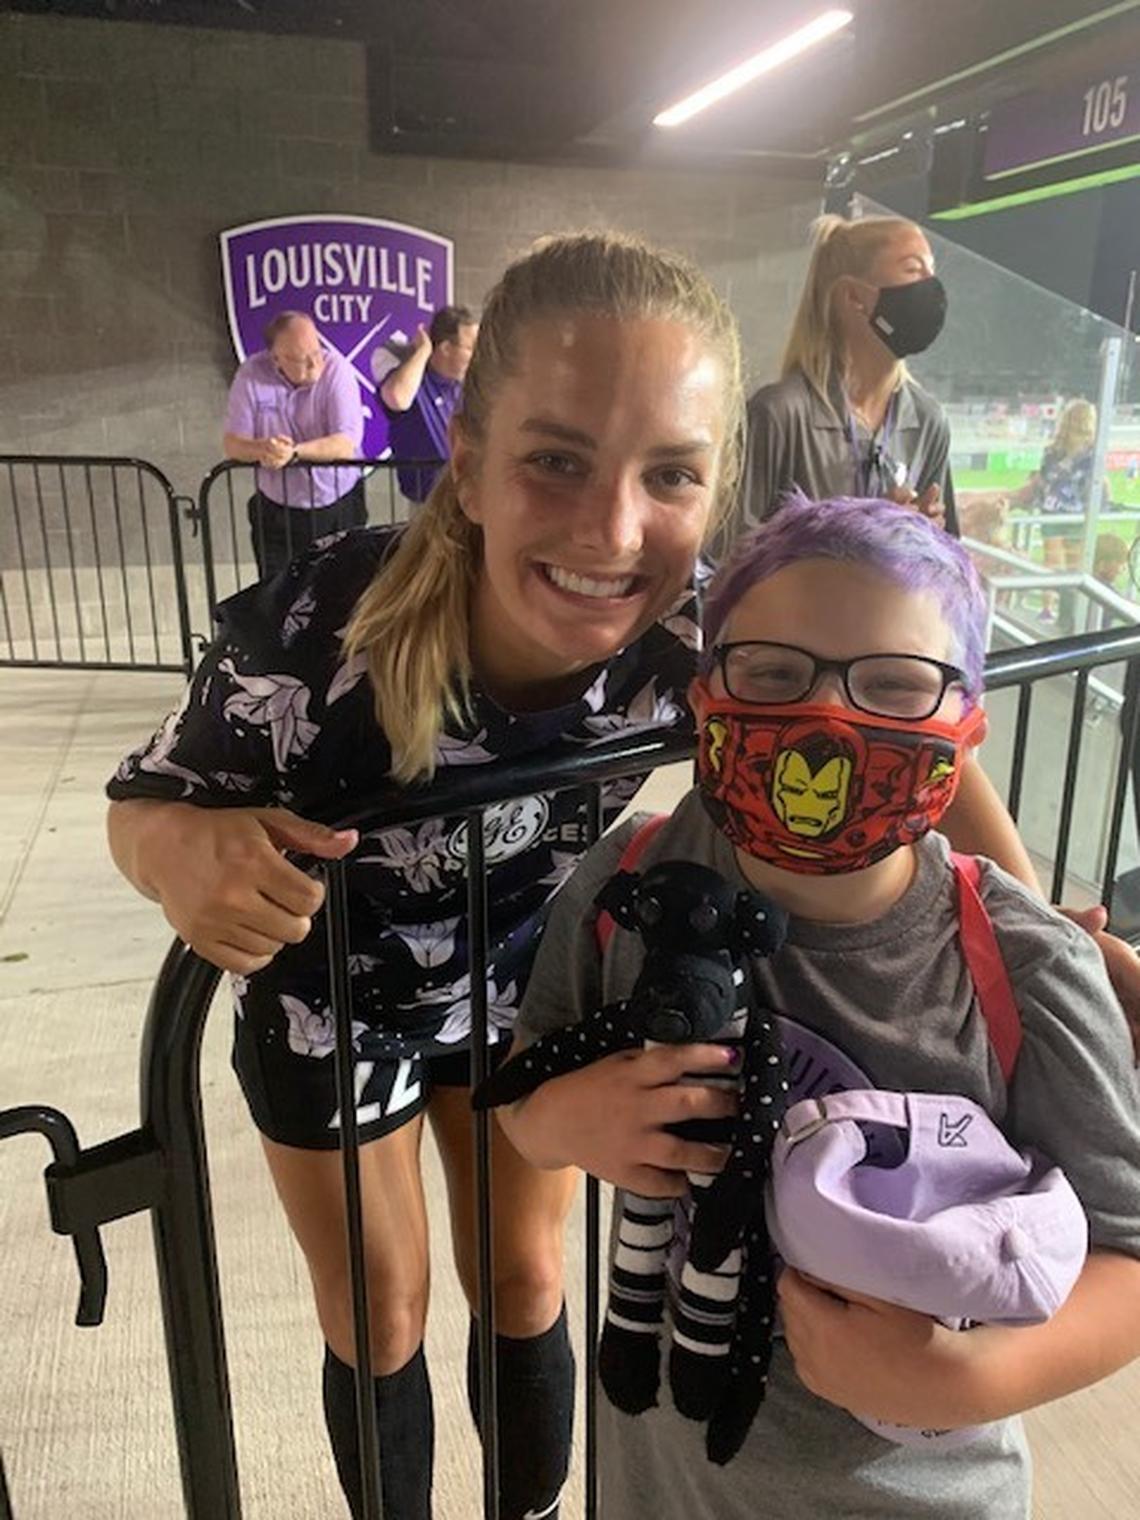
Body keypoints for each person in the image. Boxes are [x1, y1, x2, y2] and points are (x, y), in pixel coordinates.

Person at [105, 232, 750, 1520]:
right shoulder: (316, 634)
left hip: (522, 981)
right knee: (380, 1303)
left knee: (522, 1276)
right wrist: (184, 853)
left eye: (669, 474)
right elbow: (146, 798)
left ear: (713, 487)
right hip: (328, 994)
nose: (612, 530)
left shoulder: (702, 627)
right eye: (556, 460)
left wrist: (1033, 930)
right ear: (465, 465)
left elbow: (893, 700)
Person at [501, 496, 1140, 1520]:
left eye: (893, 683)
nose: (828, 721)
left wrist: (964, 1382)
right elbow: (526, 1081)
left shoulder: (1027, 971)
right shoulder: (628, 887)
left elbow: (1127, 1252)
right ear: (709, 696)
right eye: (774, 672)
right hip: (660, 1483)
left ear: (963, 725)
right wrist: (553, 1119)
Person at [726, 213, 959, 553]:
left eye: (931, 270)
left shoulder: (927, 420)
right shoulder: (779, 414)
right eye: (913, 269)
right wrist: (857, 537)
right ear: (854, 298)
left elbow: (948, 565)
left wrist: (925, 535)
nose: (931, 286)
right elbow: (727, 559)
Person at [223, 311, 367, 579]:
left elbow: (346, 443)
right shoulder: (251, 374)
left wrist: (294, 453)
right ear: (276, 359)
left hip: (337, 505)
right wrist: (262, 449)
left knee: (341, 591)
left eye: (317, 350)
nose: (315, 363)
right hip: (277, 512)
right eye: (302, 359)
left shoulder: (337, 369)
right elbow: (232, 444)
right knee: (277, 595)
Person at [376, 305, 479, 504]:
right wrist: (423, 350)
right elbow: (396, 397)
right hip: (426, 504)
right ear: (446, 348)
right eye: (470, 348)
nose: (477, 355)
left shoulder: (467, 385)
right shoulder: (414, 380)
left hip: (466, 498)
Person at [1015, 399, 1098, 628]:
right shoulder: (1091, 454)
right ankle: (1064, 613)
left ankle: (1050, 610)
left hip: (1055, 512)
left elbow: (1044, 480)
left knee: (1055, 564)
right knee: (1069, 565)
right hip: (1074, 514)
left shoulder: (1056, 450)